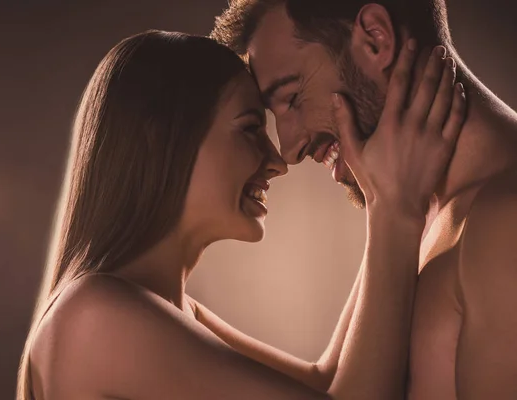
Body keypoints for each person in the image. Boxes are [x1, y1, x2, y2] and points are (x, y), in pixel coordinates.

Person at [16, 29, 465, 400]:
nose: (278, 160)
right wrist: (394, 210)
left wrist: (401, 197)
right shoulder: (97, 315)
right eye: (250, 128)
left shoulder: (161, 311)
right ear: (161, 140)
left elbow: (325, 381)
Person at [211, 0, 517, 398]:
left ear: (376, 39)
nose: (289, 149)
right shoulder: (408, 208)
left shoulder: (505, 223)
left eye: (292, 97)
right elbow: (330, 383)